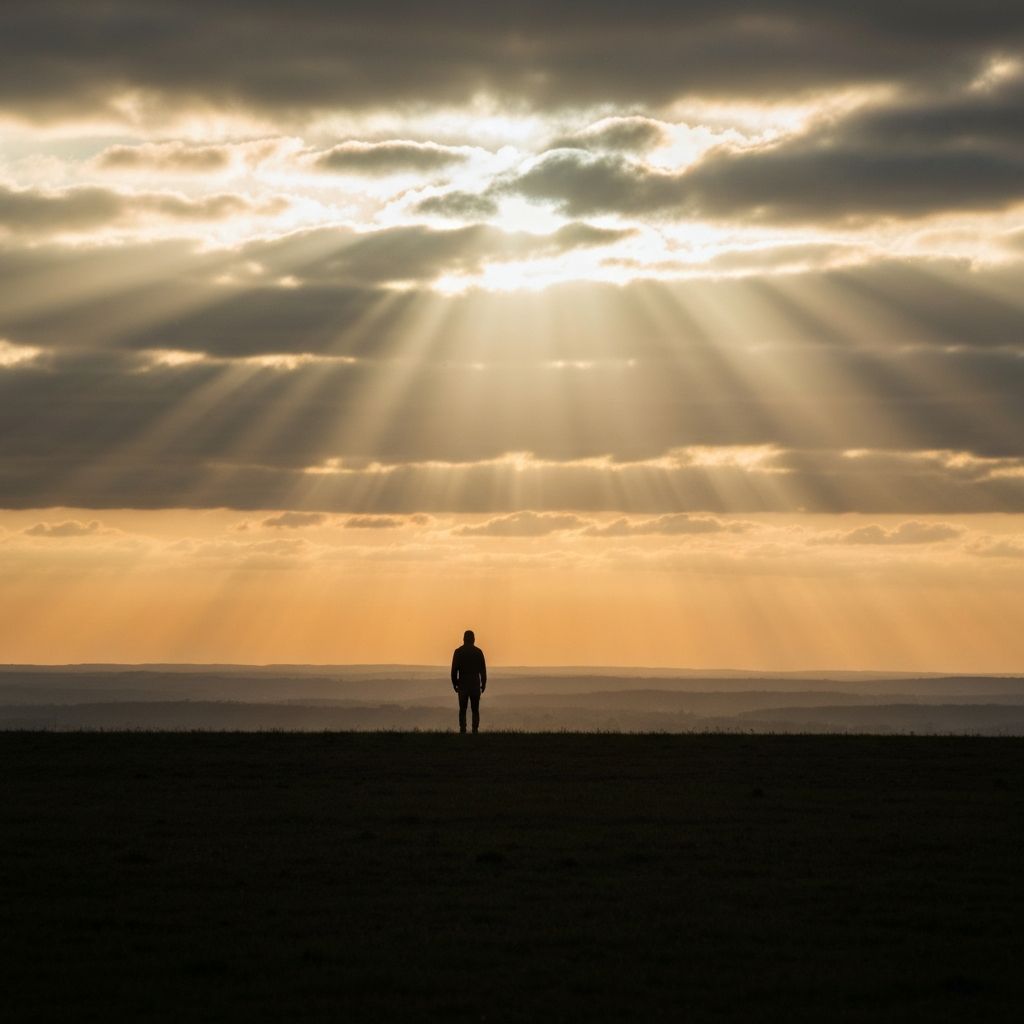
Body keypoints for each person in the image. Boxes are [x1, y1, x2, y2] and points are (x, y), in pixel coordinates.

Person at [451, 629, 487, 733]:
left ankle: (463, 729)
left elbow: (454, 670)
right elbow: (483, 670)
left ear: (463, 639)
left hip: (463, 683)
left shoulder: (458, 652)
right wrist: (483, 683)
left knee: (463, 709)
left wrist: (455, 683)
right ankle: (475, 729)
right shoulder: (478, 652)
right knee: (475, 709)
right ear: (473, 639)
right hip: (475, 683)